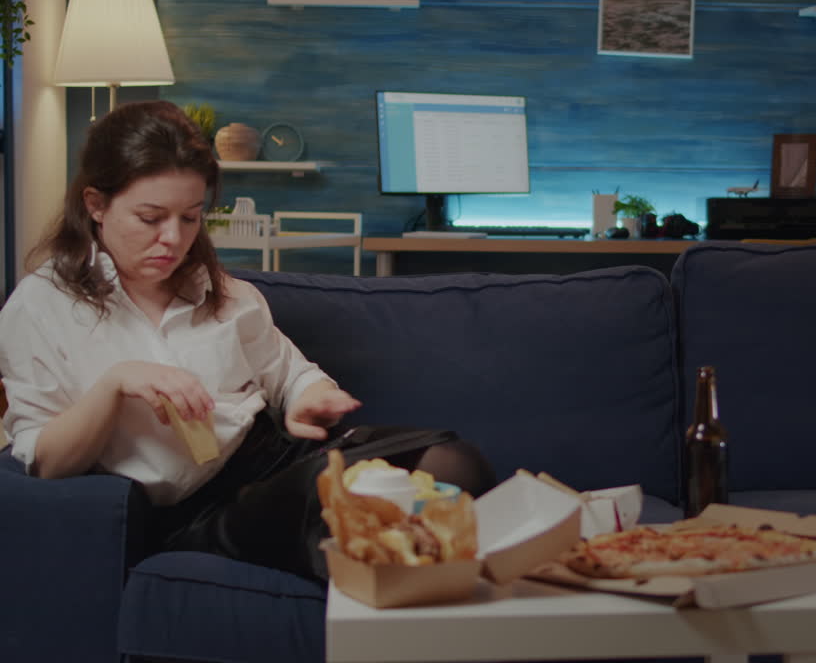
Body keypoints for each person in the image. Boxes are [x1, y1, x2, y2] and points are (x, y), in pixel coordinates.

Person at [0, 100, 495, 580]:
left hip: (279, 461)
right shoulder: (41, 307)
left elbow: (291, 373)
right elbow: (46, 464)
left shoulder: (227, 294)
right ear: (96, 205)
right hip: (201, 513)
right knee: (335, 507)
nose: (173, 239)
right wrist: (115, 384)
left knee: (451, 462)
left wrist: (309, 398)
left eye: (190, 217)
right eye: (151, 218)